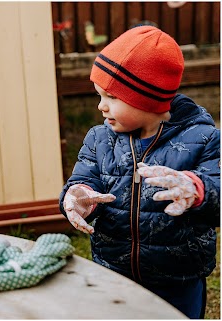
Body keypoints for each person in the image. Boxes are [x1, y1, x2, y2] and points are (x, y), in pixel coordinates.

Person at [59, 25, 219, 319]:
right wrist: (78, 195)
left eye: (111, 97)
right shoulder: (99, 140)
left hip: (177, 281)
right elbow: (83, 178)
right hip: (113, 273)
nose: (101, 106)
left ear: (147, 99)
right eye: (99, 95)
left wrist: (197, 190)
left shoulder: (204, 140)